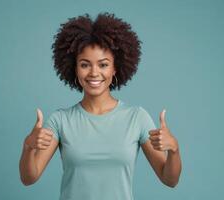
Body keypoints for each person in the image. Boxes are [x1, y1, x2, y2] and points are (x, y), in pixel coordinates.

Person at [19, 12, 182, 200]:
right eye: (85, 64)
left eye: (103, 65)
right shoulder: (60, 120)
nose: (94, 73)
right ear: (75, 68)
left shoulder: (137, 117)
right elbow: (28, 178)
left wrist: (174, 149)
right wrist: (28, 146)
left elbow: (170, 180)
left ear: (115, 68)